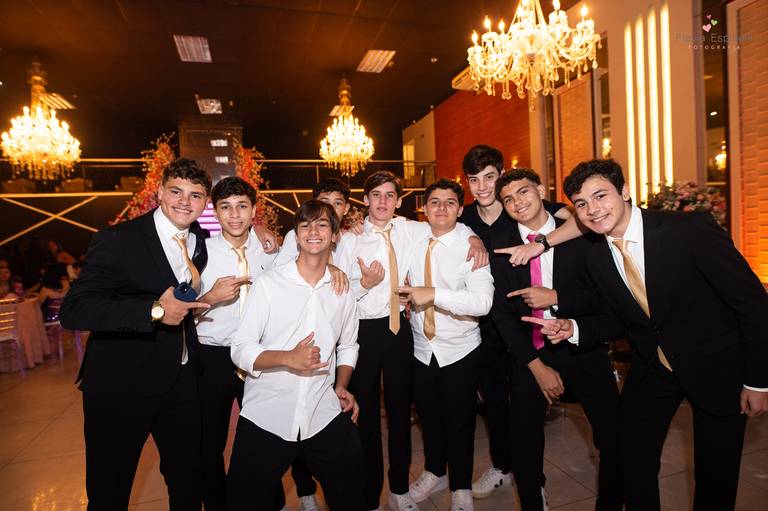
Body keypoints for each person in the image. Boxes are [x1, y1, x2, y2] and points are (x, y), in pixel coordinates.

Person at [536, 159, 768, 511]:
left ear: (625, 191)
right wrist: (575, 328)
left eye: (600, 196)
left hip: (716, 365)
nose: (592, 209)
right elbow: (621, 318)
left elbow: (752, 303)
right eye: (581, 204)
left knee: (716, 473)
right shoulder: (596, 257)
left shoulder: (688, 230)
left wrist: (758, 381)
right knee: (630, 456)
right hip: (653, 367)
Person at [60, 158, 213, 510]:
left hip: (181, 381)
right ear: (159, 192)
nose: (185, 202)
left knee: (188, 482)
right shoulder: (119, 239)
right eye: (176, 191)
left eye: (195, 195)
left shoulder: (200, 240)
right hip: (121, 384)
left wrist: (262, 234)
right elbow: (75, 310)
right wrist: (154, 310)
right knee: (110, 490)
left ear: (204, 202)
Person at [348, 170, 488, 511]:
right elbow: (336, 293)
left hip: (410, 335)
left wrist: (476, 239)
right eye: (376, 195)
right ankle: (373, 495)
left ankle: (408, 489)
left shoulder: (416, 230)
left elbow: (454, 226)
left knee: (407, 416)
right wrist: (364, 284)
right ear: (365, 200)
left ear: (400, 202)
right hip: (372, 332)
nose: (383, 201)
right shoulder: (350, 238)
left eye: (390, 195)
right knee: (373, 418)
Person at [490, 169, 621, 511]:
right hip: (530, 352)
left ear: (540, 190)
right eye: (508, 199)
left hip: (582, 345)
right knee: (523, 442)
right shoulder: (500, 246)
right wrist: (536, 367)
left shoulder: (583, 234)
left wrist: (557, 297)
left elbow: (604, 299)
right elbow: (501, 315)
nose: (517, 202)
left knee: (613, 436)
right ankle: (534, 502)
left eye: (523, 192)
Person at [227, 200, 365, 511]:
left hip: (322, 411)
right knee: (243, 501)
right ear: (296, 234)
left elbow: (348, 345)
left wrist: (342, 385)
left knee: (352, 493)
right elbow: (241, 348)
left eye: (322, 225)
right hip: (267, 414)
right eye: (305, 225)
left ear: (334, 235)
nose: (313, 231)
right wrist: (287, 358)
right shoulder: (269, 284)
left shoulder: (342, 289)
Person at [457, 145, 574, 498]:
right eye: (474, 180)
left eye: (489, 177)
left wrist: (542, 244)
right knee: (494, 401)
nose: (482, 187)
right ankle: (502, 465)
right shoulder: (464, 217)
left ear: (502, 175)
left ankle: (533, 482)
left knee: (528, 408)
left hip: (528, 325)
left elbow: (577, 219)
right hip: (488, 326)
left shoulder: (521, 206)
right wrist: (471, 236)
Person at [274, 177, 384, 511]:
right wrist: (326, 267)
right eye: (324, 202)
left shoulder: (349, 240)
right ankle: (306, 491)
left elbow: (348, 294)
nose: (330, 210)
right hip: (300, 342)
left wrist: (362, 283)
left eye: (337, 203)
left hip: (340, 338)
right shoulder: (296, 238)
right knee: (298, 418)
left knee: (340, 416)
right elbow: (281, 276)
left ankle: (356, 492)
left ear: (346, 209)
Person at [398, 179, 494, 511]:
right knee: (428, 417)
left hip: (460, 349)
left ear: (460, 210)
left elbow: (483, 302)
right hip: (421, 348)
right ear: (424, 208)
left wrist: (434, 295)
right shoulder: (413, 237)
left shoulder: (471, 248)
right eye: (435, 202)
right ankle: (435, 470)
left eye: (450, 202)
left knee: (460, 422)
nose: (441, 208)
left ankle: (461, 486)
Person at [195, 176, 278, 511]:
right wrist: (211, 298)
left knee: (265, 436)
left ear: (254, 210)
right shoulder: (200, 253)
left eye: (242, 206)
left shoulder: (270, 250)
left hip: (258, 355)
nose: (234, 215)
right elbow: (180, 309)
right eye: (225, 207)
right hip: (212, 355)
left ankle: (268, 502)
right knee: (209, 441)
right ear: (215, 212)